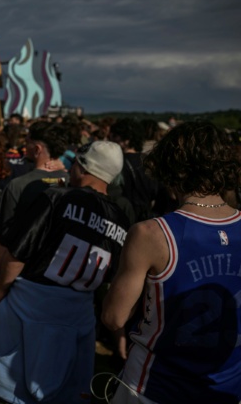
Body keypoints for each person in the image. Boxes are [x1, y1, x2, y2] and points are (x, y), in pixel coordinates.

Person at [102, 121, 241, 404]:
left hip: (156, 386)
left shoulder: (151, 234)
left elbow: (113, 317)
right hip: (226, 385)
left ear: (172, 170)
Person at [0, 141, 130, 404]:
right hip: (80, 311)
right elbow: (111, 274)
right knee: (66, 391)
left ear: (83, 168)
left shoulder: (57, 197)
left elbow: (18, 253)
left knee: (10, 388)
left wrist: (0, 291)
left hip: (29, 303)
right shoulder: (120, 217)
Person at [0, 121, 68, 298]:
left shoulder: (18, 185)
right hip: (60, 280)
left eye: (28, 142)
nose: (24, 146)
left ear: (37, 149)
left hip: (21, 279)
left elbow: (3, 240)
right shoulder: (72, 183)